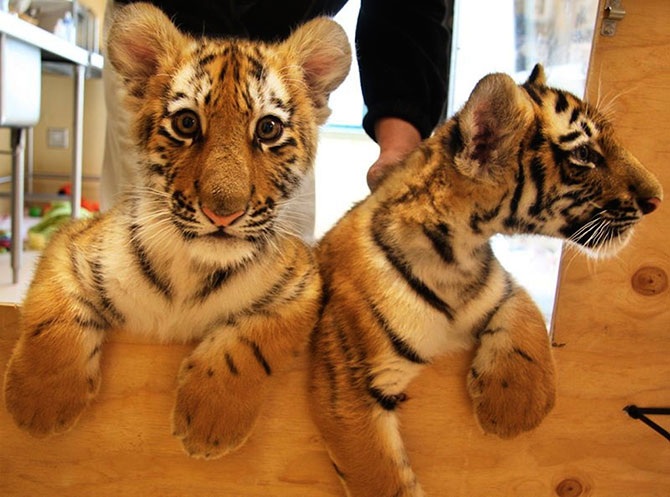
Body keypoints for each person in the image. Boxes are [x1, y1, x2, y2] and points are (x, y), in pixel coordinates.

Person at [101, 0, 452, 238]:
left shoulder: (293, 91)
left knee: (285, 279)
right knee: (134, 258)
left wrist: (399, 152)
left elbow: (407, 8)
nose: (225, 202)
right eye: (186, 125)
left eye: (268, 130)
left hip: (286, 56)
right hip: (163, 34)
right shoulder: (153, 77)